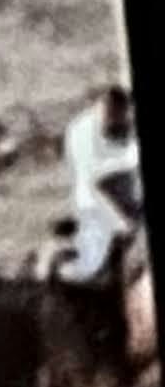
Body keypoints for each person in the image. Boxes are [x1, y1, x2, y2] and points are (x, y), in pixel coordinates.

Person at [64, 79, 142, 281]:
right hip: (97, 201)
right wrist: (124, 225)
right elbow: (96, 182)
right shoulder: (85, 131)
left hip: (117, 194)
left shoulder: (116, 125)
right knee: (91, 267)